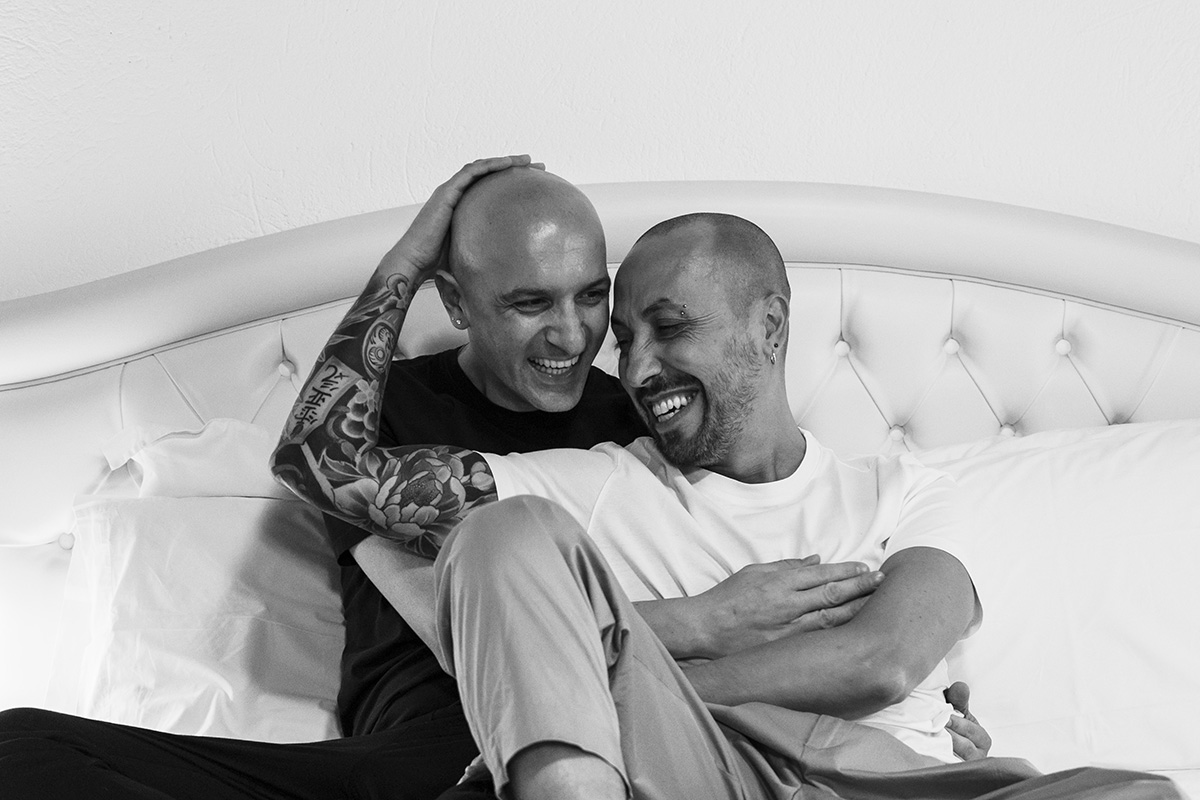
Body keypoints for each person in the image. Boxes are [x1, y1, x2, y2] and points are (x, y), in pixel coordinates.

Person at [0, 157, 943, 800]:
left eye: (592, 299)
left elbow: (786, 597)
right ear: (454, 301)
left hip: (608, 732)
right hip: (429, 743)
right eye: (530, 303)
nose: (576, 337)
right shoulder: (392, 422)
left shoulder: (642, 422)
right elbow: (453, 619)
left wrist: (919, 709)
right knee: (26, 749)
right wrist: (406, 259)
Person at [273, 179, 1181, 798]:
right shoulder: (597, 483)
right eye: (627, 338)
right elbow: (326, 465)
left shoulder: (907, 490)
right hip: (710, 773)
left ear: (770, 326)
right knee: (497, 535)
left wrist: (611, 671)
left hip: (893, 780)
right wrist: (403, 265)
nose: (634, 367)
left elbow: (883, 662)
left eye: (669, 329)